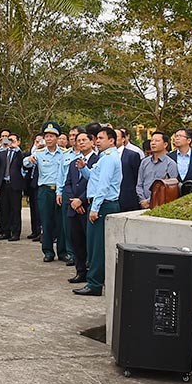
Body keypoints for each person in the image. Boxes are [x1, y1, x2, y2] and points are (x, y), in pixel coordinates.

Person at [74, 125, 121, 296]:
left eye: (101, 138)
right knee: (94, 245)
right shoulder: (105, 157)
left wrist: (95, 208)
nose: (97, 141)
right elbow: (93, 178)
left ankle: (94, 284)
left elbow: (103, 186)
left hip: (102, 205)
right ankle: (95, 281)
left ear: (111, 140)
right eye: (97, 138)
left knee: (97, 248)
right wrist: (83, 168)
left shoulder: (108, 158)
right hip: (101, 204)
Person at [27, 122, 70, 262]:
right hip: (45, 191)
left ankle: (62, 252)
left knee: (61, 222)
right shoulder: (39, 153)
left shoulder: (64, 153)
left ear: (57, 138)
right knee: (46, 222)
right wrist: (29, 159)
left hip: (60, 190)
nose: (49, 139)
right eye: (47, 136)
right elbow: (26, 163)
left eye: (52, 136)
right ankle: (48, 251)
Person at [61, 131, 96, 284]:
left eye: (84, 140)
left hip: (88, 206)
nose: (81, 143)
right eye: (78, 140)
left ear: (92, 141)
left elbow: (95, 183)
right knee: (77, 241)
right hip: (73, 207)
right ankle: (80, 271)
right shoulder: (73, 162)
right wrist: (73, 202)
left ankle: (92, 273)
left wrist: (81, 200)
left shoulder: (98, 161)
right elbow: (68, 184)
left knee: (90, 243)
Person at [0, 134, 26, 240]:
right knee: (4, 209)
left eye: (13, 140)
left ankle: (15, 233)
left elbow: (23, 164)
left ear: (18, 141)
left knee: (15, 210)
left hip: (15, 185)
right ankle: (5, 232)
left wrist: (16, 148)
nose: (10, 142)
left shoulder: (19, 153)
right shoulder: (2, 153)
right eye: (9, 140)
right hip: (4, 184)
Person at [136, 130, 177, 207]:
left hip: (161, 205)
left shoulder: (170, 164)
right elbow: (139, 184)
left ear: (165, 144)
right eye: (152, 141)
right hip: (143, 204)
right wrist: (142, 200)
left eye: (157, 141)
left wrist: (149, 201)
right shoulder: (144, 162)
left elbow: (170, 188)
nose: (153, 143)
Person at [115, 127, 142, 212]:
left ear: (123, 139)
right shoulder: (104, 155)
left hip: (128, 199)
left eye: (116, 136)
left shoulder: (132, 155)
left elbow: (137, 177)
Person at [24, 133, 45, 240]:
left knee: (40, 209)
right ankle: (35, 230)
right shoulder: (32, 152)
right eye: (36, 141)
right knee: (33, 208)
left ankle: (42, 232)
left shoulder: (45, 153)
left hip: (41, 183)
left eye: (41, 141)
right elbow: (26, 164)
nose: (38, 143)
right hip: (31, 183)